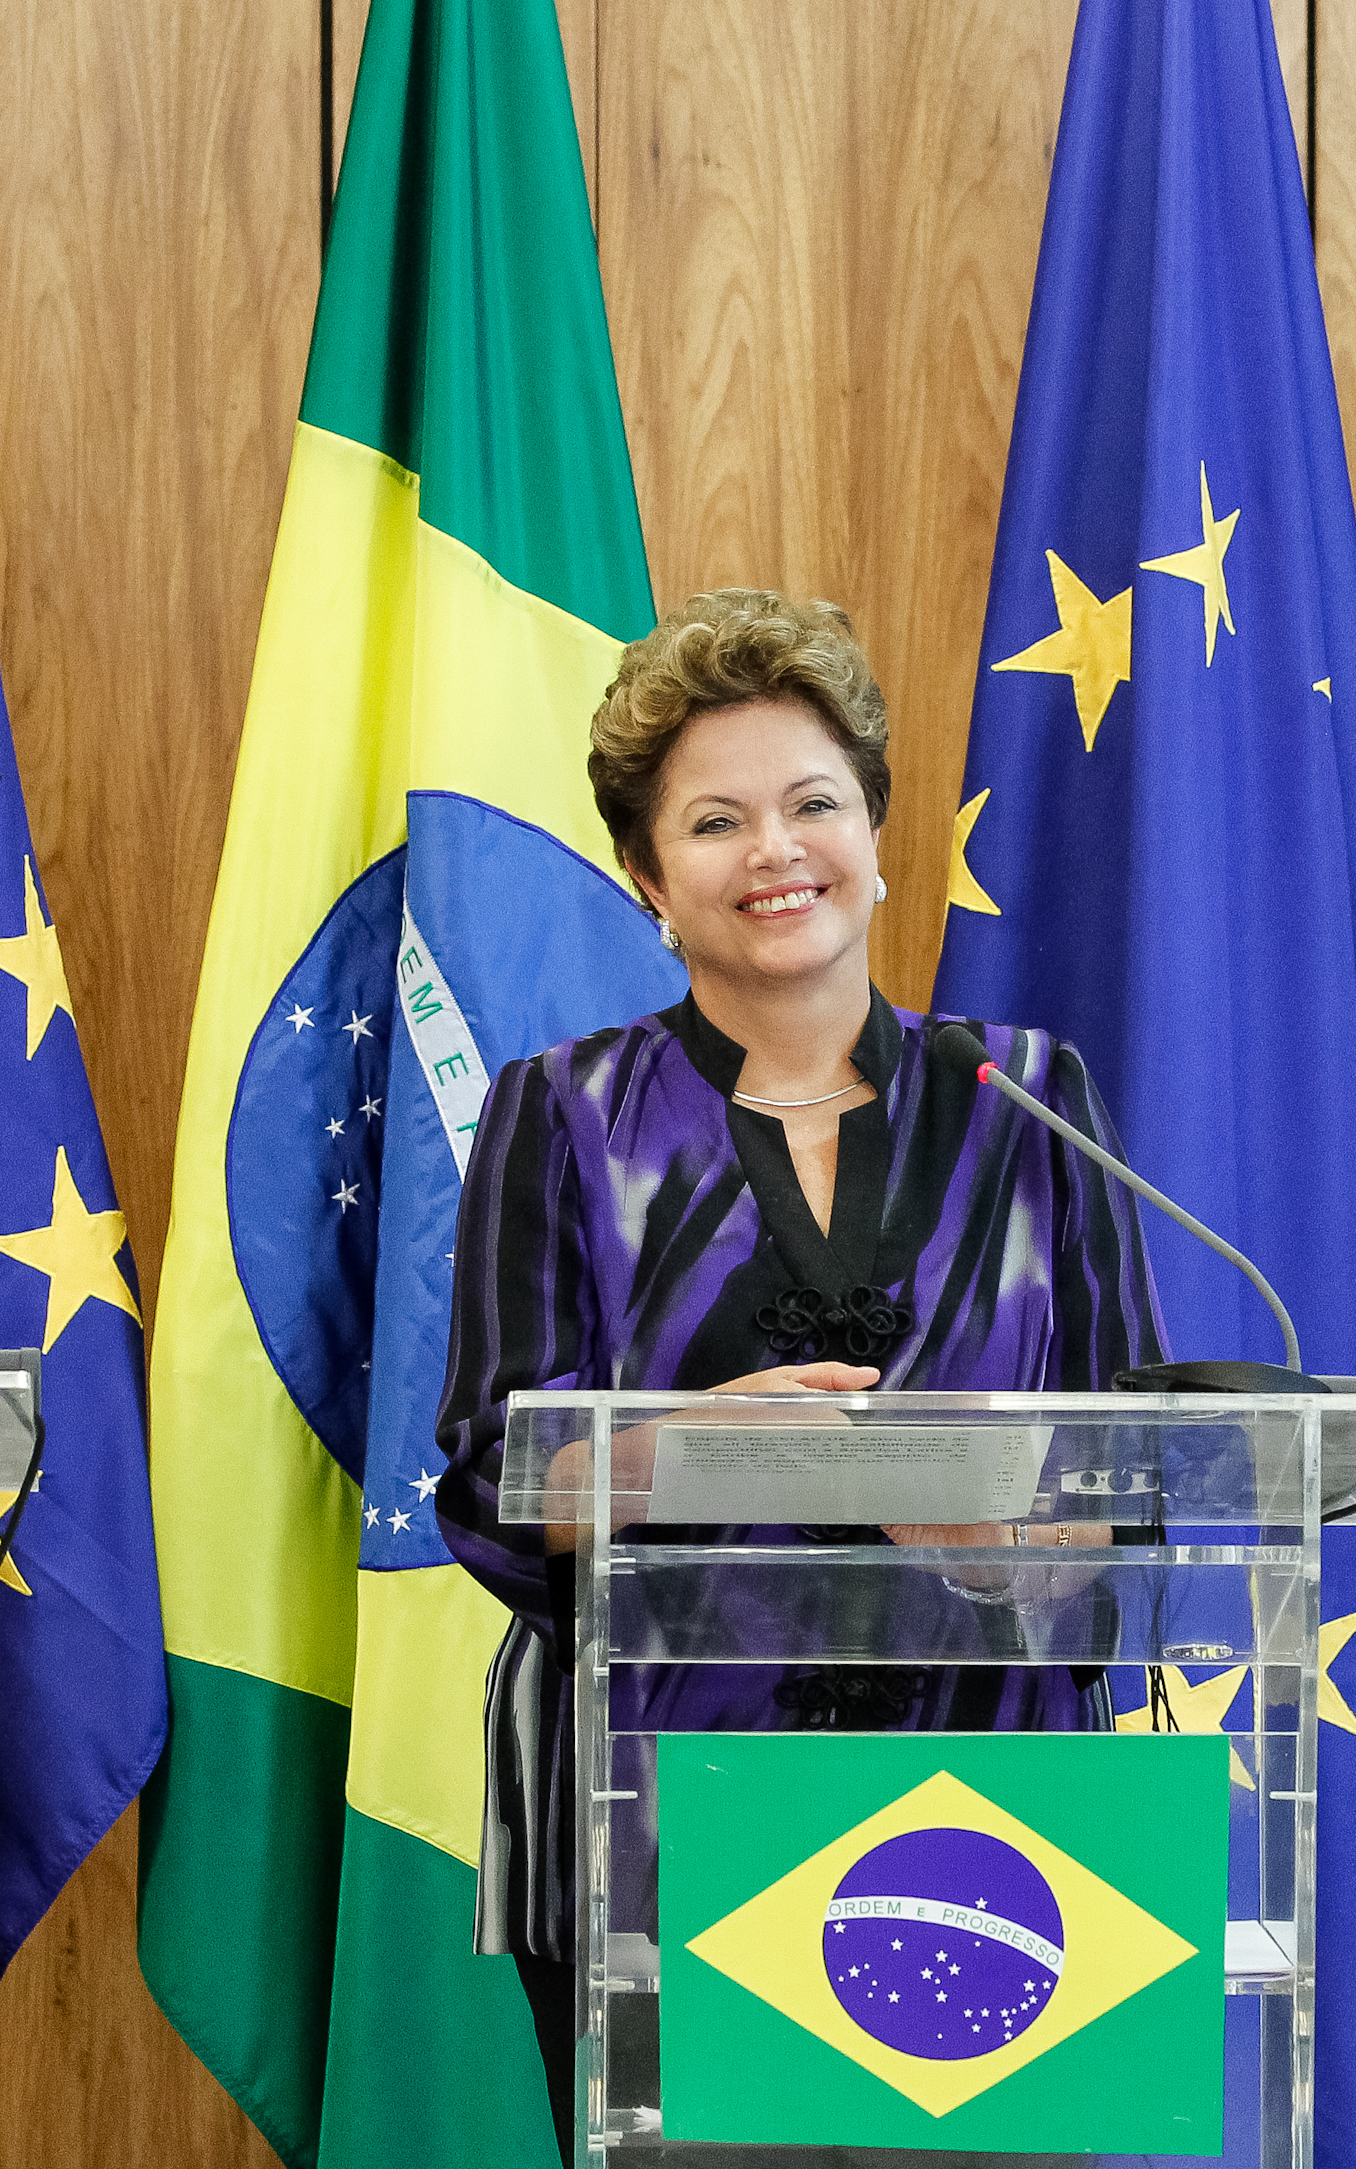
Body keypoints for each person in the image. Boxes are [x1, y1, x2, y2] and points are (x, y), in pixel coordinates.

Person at [432, 589, 1167, 2163]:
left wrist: (1051, 1537)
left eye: (811, 803)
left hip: (1001, 1798)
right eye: (714, 820)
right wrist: (678, 1452)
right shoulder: (559, 1113)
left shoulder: (1029, 1099)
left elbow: (1137, 1457)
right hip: (658, 1799)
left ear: (878, 834)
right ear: (649, 879)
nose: (774, 850)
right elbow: (491, 1479)